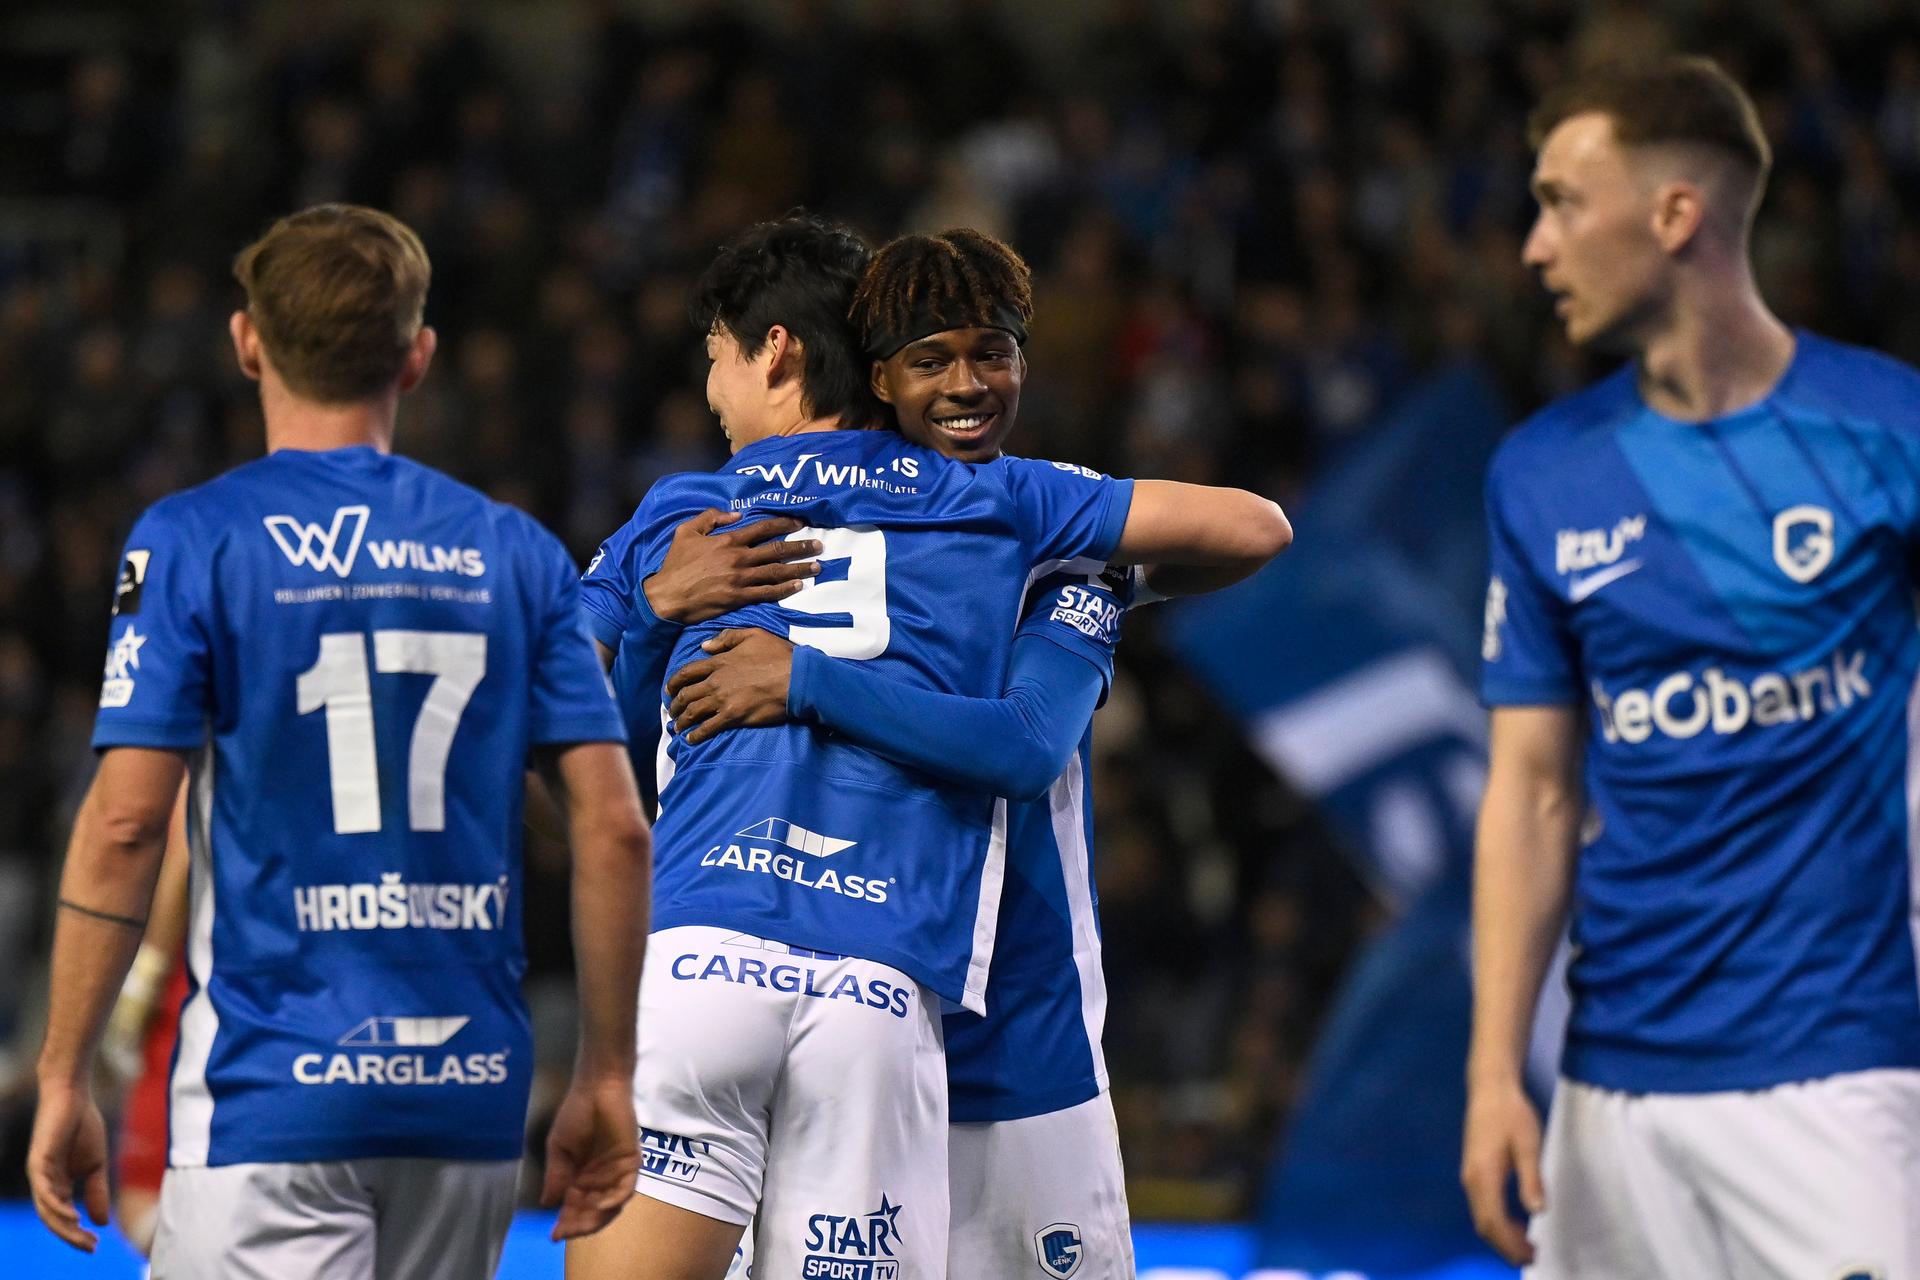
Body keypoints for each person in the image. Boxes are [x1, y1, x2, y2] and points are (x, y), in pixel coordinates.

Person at [568, 214, 1289, 1280]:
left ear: (772, 350)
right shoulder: (1009, 510)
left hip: (755, 970)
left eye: (989, 351)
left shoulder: (689, 512)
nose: (965, 382)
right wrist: (1120, 572)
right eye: (931, 359)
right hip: (883, 989)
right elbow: (1251, 528)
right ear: (880, 374)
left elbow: (559, 736)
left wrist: (682, 615)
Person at [25, 203, 652, 1279]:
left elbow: (129, 821)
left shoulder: (193, 538)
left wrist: (63, 1073)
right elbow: (614, 829)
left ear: (247, 342)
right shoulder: (516, 550)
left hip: (272, 1093)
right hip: (466, 1098)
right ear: (418, 357)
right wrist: (607, 1072)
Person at [1463, 57, 1920, 1278]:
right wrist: (1495, 1070)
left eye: (1562, 202)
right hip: (1609, 1093)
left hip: (1843, 1070)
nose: (1534, 247)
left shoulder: (1891, 433)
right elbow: (1533, 791)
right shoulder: (1542, 472)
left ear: (1674, 215)